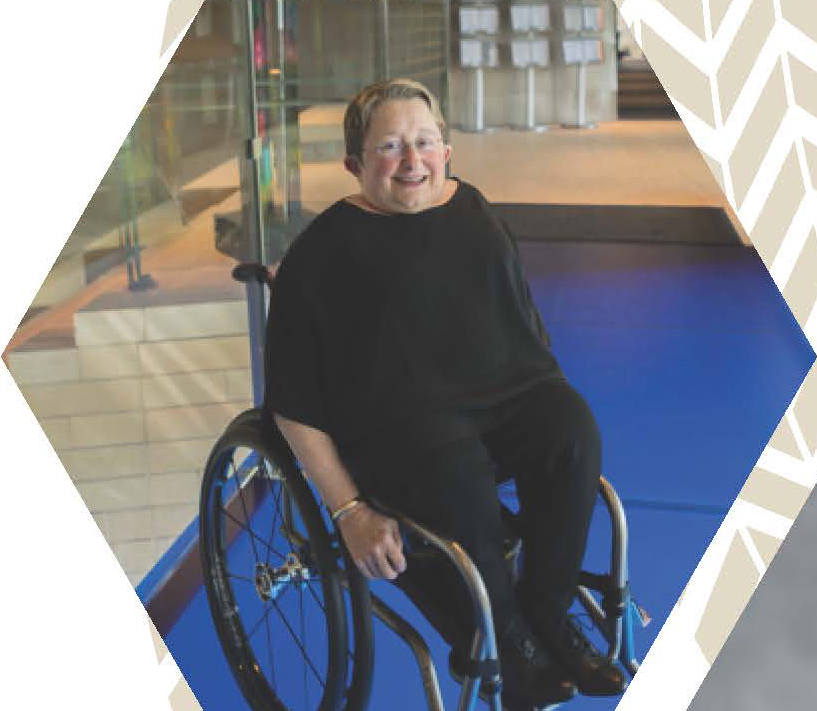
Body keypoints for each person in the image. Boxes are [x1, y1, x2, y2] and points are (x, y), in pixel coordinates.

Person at [263, 79, 625, 710]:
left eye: (425, 143)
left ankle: (545, 612)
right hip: (395, 428)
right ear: (354, 165)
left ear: (448, 152)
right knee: (452, 466)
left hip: (493, 403)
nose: (412, 162)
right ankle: (503, 638)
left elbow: (526, 341)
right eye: (391, 147)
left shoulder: (473, 213)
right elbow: (292, 404)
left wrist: (542, 405)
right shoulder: (321, 253)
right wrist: (349, 512)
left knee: (570, 425)